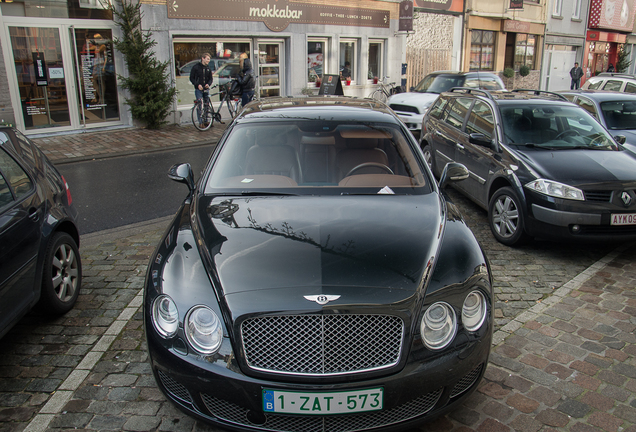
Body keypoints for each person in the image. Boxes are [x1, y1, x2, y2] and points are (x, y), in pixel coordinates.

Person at [189, 53, 213, 128]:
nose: (208, 61)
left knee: (206, 104)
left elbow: (210, 79)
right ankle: (200, 122)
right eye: (207, 59)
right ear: (203, 58)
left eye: (209, 59)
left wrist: (208, 84)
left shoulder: (208, 68)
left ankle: (206, 121)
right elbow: (191, 78)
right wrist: (197, 85)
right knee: (199, 105)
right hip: (198, 89)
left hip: (205, 89)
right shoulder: (196, 67)